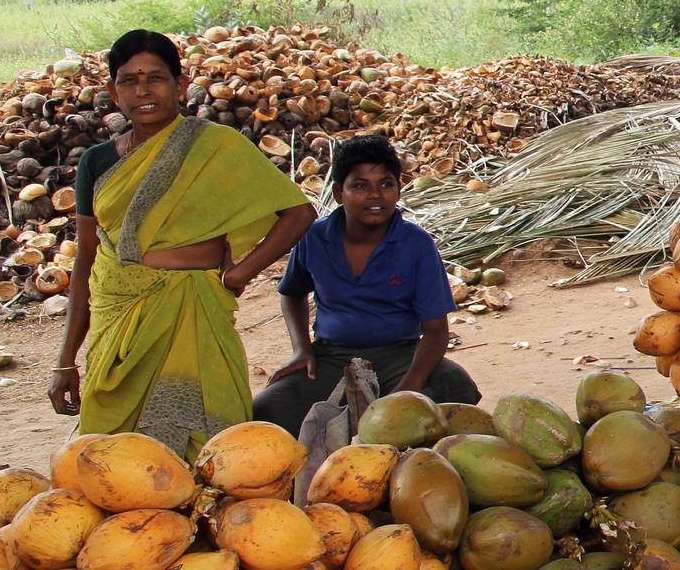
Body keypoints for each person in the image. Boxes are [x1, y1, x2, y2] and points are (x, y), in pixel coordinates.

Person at [49, 30, 316, 457]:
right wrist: (66, 361)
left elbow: (298, 214)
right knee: (112, 460)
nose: (142, 91)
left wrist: (236, 275)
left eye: (155, 78)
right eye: (128, 80)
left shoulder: (215, 147)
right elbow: (86, 260)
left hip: (195, 313)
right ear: (113, 90)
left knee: (212, 455)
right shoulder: (96, 162)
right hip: (117, 320)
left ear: (179, 82)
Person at [251, 135, 480, 436]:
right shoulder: (315, 238)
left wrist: (406, 391)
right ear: (337, 193)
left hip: (399, 355)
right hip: (331, 358)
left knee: (454, 383)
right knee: (269, 406)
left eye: (386, 184)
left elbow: (436, 330)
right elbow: (292, 293)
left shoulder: (416, 245)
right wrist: (301, 350)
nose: (376, 195)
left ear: (399, 189)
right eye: (360, 186)